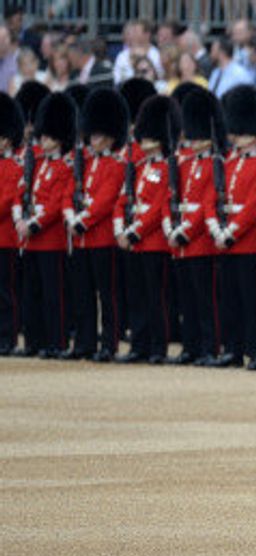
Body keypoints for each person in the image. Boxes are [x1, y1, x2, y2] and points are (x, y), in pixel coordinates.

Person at [63, 88, 128, 362]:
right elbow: (69, 191)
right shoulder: (85, 162)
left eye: (99, 135)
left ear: (111, 137)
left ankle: (109, 344)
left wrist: (82, 219)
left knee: (107, 295)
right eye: (92, 134)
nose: (94, 139)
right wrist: (69, 215)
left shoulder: (115, 165)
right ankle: (85, 342)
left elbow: (106, 199)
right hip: (80, 238)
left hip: (101, 238)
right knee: (82, 293)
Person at [115, 95, 177, 364]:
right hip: (133, 240)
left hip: (152, 242)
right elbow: (124, 199)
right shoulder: (139, 167)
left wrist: (134, 231)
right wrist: (121, 228)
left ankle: (157, 346)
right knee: (136, 296)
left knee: (156, 298)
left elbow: (158, 206)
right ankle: (139, 345)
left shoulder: (166, 169)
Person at [213, 85, 256, 370]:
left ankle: (254, 351)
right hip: (225, 237)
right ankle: (232, 349)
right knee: (230, 298)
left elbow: (252, 207)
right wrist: (217, 227)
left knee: (251, 300)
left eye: (243, 132)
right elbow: (218, 195)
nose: (238, 137)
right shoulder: (229, 163)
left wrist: (231, 232)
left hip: (245, 241)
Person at [14, 92, 74, 358]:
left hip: (49, 239)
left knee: (54, 296)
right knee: (31, 293)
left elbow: (55, 204)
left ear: (59, 138)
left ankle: (56, 341)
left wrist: (33, 225)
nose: (43, 140)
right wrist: (19, 218)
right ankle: (35, 341)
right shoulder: (37, 164)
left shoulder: (63, 167)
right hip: (30, 237)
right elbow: (22, 191)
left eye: (48, 136)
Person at [168, 90, 224, 366]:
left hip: (200, 240)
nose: (195, 140)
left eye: (200, 135)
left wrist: (186, 231)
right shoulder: (185, 163)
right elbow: (175, 196)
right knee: (186, 299)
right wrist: (172, 226)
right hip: (181, 241)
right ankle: (190, 346)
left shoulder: (214, 164)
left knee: (205, 300)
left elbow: (206, 204)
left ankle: (208, 346)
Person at [0, 92, 19, 355]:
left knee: (5, 292)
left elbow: (7, 200)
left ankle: (8, 337)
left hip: (5, 236)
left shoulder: (13, 167)